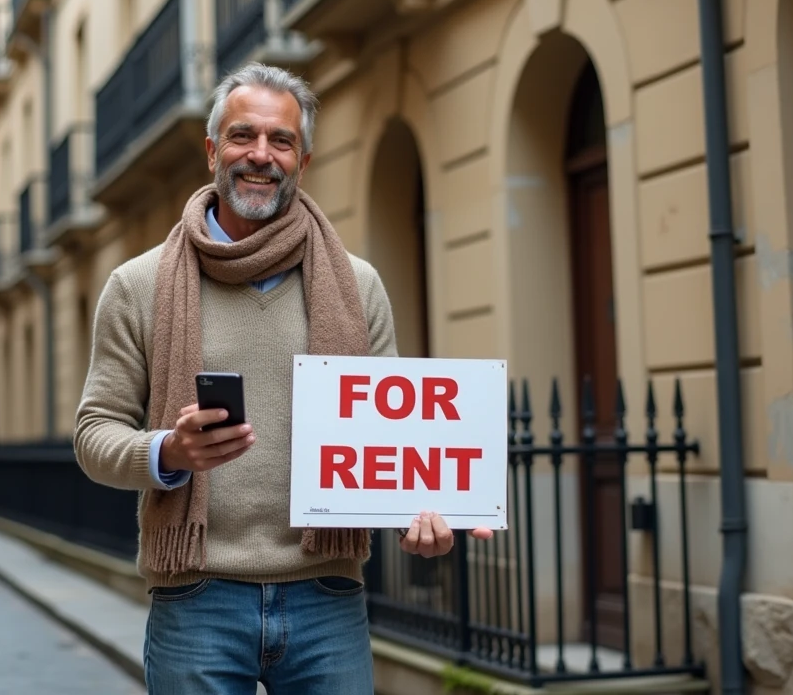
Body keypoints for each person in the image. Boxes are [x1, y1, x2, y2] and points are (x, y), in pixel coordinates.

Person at [75, 62, 492, 694]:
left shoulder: (357, 285)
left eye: (282, 140)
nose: (261, 155)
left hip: (327, 592)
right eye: (244, 136)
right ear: (214, 149)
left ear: (304, 158)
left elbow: (395, 436)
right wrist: (168, 451)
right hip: (197, 597)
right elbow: (93, 432)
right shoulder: (140, 285)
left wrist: (427, 505)